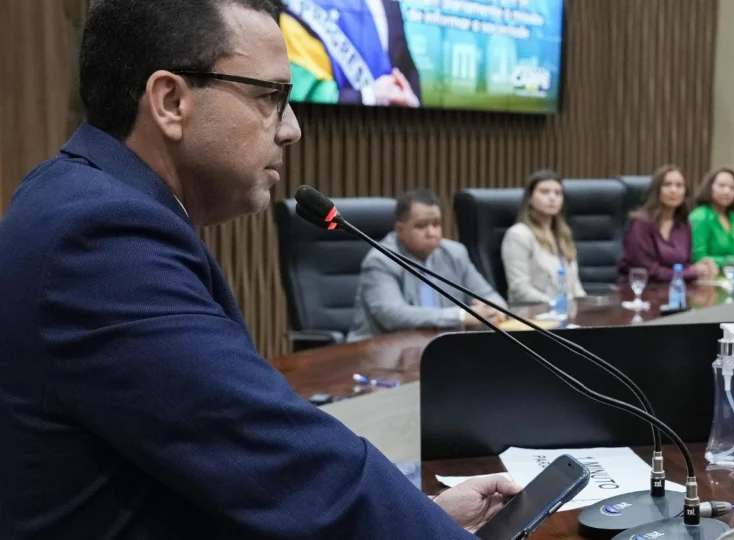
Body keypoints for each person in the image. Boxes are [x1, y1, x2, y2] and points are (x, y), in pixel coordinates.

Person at [0, 1, 518, 538]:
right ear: (171, 101)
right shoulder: (101, 241)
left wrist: (427, 518)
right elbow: (277, 457)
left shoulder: (79, 196)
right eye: (271, 97)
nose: (292, 129)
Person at [348, 188, 506, 342]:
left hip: (440, 348)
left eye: (436, 224)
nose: (432, 233)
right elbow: (392, 315)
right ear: (400, 230)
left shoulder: (455, 254)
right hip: (377, 350)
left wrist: (494, 310)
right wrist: (460, 316)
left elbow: (489, 296)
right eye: (421, 226)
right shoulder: (381, 260)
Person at [281, 0, 421, 106]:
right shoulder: (299, 7)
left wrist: (411, 102)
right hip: (330, 127)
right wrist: (368, 96)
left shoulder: (390, 5)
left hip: (393, 129)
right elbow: (301, 91)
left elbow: (407, 70)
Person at [617, 165, 718, 283]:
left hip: (674, 288)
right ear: (657, 190)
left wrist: (700, 266)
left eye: (679, 186)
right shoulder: (641, 223)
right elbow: (647, 270)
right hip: (641, 289)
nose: (673, 190)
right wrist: (692, 272)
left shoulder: (683, 224)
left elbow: (684, 264)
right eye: (667, 185)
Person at [501, 169, 587, 304]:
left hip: (567, 311)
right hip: (533, 312)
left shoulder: (563, 235)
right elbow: (520, 290)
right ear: (530, 198)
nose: (552, 197)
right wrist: (557, 304)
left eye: (558, 193)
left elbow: (575, 286)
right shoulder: (518, 235)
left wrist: (585, 306)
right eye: (545, 192)